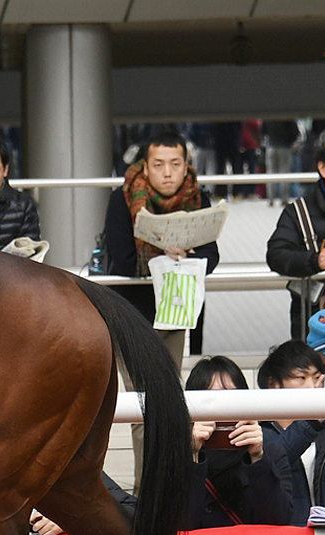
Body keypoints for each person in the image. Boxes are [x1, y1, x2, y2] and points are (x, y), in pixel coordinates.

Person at [103, 129, 220, 491]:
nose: (167, 172)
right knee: (143, 407)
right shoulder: (123, 199)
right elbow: (118, 261)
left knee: (169, 404)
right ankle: (144, 493)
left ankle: (168, 490)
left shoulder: (198, 197)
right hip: (131, 316)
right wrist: (159, 254)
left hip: (175, 312)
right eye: (158, 165)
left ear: (186, 166)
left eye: (175, 164)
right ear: (145, 166)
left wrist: (188, 255)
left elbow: (211, 256)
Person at [181, 357, 292, 528]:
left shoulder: (271, 453)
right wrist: (192, 456)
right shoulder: (176, 458)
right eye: (212, 399)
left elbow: (279, 521)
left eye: (232, 396)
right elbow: (179, 526)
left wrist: (257, 457)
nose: (225, 407)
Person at [266, 126, 325, 340]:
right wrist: (314, 261)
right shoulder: (299, 212)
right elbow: (276, 254)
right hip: (313, 318)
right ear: (322, 168)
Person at [258, 339, 325, 525]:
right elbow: (272, 465)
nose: (311, 386)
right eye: (301, 378)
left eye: (317, 377)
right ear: (274, 384)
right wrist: (313, 419)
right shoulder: (261, 432)